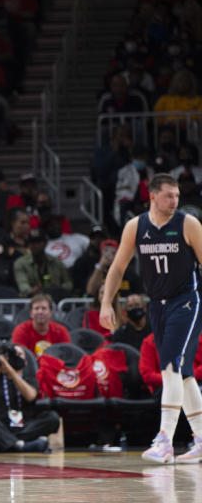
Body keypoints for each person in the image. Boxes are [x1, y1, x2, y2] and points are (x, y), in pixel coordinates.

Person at [100, 173, 202, 463]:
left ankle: (165, 440)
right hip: (157, 305)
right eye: (169, 195)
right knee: (182, 373)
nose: (175, 201)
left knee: (170, 365)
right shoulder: (136, 226)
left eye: (177, 196)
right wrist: (107, 303)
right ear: (153, 196)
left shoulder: (188, 224)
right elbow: (118, 267)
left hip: (187, 301)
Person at [0, 345, 57, 453]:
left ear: (26, 362)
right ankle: (20, 444)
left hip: (24, 426)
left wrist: (11, 371)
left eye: (19, 355)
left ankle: (5, 443)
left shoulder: (29, 377)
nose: (12, 359)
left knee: (52, 418)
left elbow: (30, 396)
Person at [13, 230, 72, 296]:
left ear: (45, 243)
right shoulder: (21, 263)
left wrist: (59, 287)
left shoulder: (56, 261)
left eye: (38, 242)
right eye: (32, 242)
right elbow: (23, 288)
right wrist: (35, 290)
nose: (35, 245)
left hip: (55, 298)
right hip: (32, 300)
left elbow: (69, 284)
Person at [12, 294, 70, 358]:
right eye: (36, 308)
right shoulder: (21, 330)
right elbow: (19, 357)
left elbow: (66, 356)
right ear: (31, 313)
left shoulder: (61, 331)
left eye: (44, 308)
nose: (40, 312)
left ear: (51, 313)